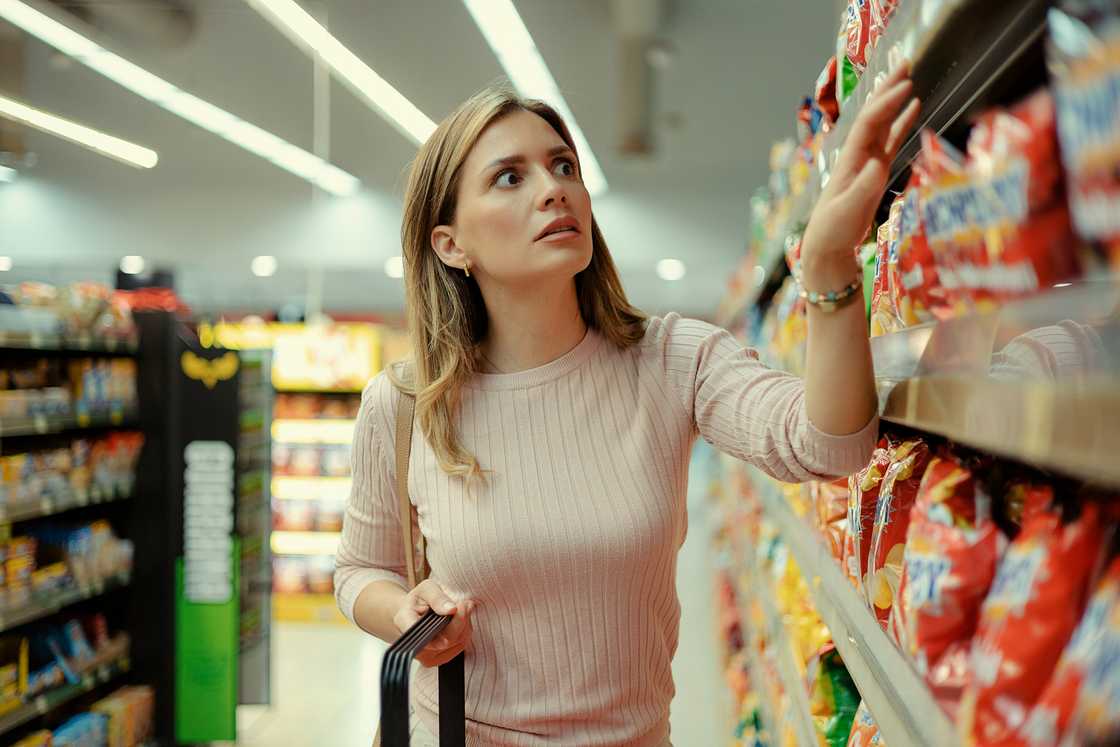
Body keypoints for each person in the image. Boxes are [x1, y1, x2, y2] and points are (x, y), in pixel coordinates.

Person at [335, 62, 922, 746]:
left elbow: (830, 445)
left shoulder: (675, 360)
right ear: (451, 243)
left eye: (563, 167)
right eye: (510, 176)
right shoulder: (406, 403)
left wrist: (828, 273)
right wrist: (403, 611)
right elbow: (359, 569)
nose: (554, 190)